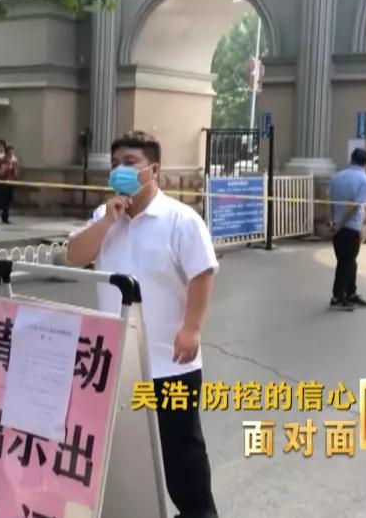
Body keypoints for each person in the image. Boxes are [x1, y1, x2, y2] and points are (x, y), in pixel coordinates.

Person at [66, 130, 219, 518]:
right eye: (115, 163)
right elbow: (74, 255)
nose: (120, 169)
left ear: (153, 170)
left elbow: (202, 273)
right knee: (124, 460)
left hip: (170, 364)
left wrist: (192, 328)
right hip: (116, 366)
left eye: (130, 162)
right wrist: (108, 221)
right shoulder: (105, 217)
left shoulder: (181, 220)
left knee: (181, 459)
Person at [327, 148, 366, 311]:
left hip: (337, 226)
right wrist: (340, 224)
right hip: (350, 226)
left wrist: (332, 222)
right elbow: (353, 206)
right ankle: (337, 297)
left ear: (351, 159)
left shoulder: (337, 176)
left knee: (350, 262)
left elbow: (330, 200)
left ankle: (351, 293)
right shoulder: (365, 180)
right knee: (345, 263)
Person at [0, 144, 18, 224]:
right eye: (10, 154)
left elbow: (15, 174)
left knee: (7, 202)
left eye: (12, 154)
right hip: (1, 183)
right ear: (6, 153)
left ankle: (5, 218)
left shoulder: (13, 162)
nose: (11, 155)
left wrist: (15, 167)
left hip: (10, 184)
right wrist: (7, 165)